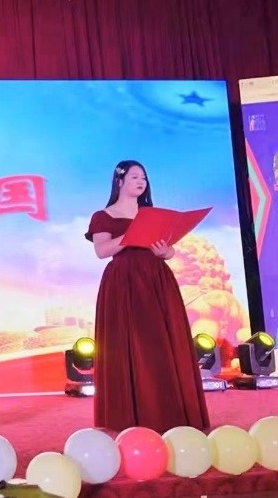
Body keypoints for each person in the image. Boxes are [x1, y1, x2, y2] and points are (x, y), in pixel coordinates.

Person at [85, 160, 210, 433]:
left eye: (143, 177)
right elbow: (102, 251)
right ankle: (132, 416)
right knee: (133, 344)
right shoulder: (103, 216)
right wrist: (131, 235)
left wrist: (165, 251)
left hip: (156, 279)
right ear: (119, 181)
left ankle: (173, 412)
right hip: (124, 282)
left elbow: (170, 251)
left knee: (163, 342)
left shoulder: (152, 213)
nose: (140, 182)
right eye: (134, 177)